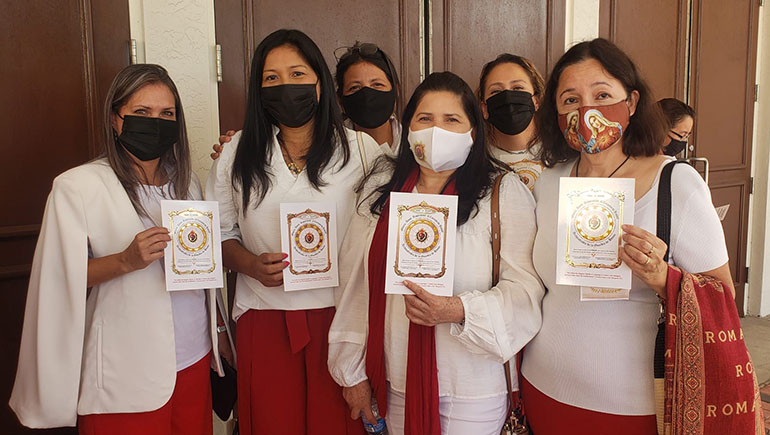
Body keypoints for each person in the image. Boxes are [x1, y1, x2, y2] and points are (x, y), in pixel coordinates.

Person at [523, 38, 737, 434]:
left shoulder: (675, 182)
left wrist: (661, 277)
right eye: (570, 100)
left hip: (633, 402)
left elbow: (724, 297)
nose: (587, 111)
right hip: (543, 384)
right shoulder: (547, 183)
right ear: (555, 111)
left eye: (602, 94)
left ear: (632, 102)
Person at [9, 64, 230, 435]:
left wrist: (218, 328)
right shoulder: (78, 187)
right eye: (142, 113)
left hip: (193, 358)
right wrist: (125, 261)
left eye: (167, 114)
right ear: (116, 119)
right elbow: (58, 279)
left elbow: (203, 270)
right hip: (124, 368)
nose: (156, 122)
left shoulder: (188, 182)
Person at [328, 71, 544, 435]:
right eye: (425, 119)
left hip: (473, 389)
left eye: (452, 120)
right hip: (396, 381)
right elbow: (354, 286)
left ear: (473, 132)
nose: (436, 130)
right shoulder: (381, 191)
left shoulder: (502, 192)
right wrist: (351, 373)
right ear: (409, 128)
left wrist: (457, 310)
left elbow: (525, 291)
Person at [207, 29, 380, 435]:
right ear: (259, 90)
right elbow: (219, 234)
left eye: (298, 74)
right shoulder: (236, 153)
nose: (287, 87)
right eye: (272, 78)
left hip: (340, 322)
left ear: (319, 83)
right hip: (263, 320)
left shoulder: (361, 151)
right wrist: (248, 263)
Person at [477, 53, 546, 190]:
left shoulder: (559, 157)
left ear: (536, 100)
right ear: (484, 108)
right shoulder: (474, 161)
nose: (508, 97)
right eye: (496, 91)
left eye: (518, 88)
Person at [335, 41, 402, 156]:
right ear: (340, 100)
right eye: (355, 87)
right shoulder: (332, 151)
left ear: (396, 91)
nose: (367, 95)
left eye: (377, 84)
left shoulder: (414, 144)